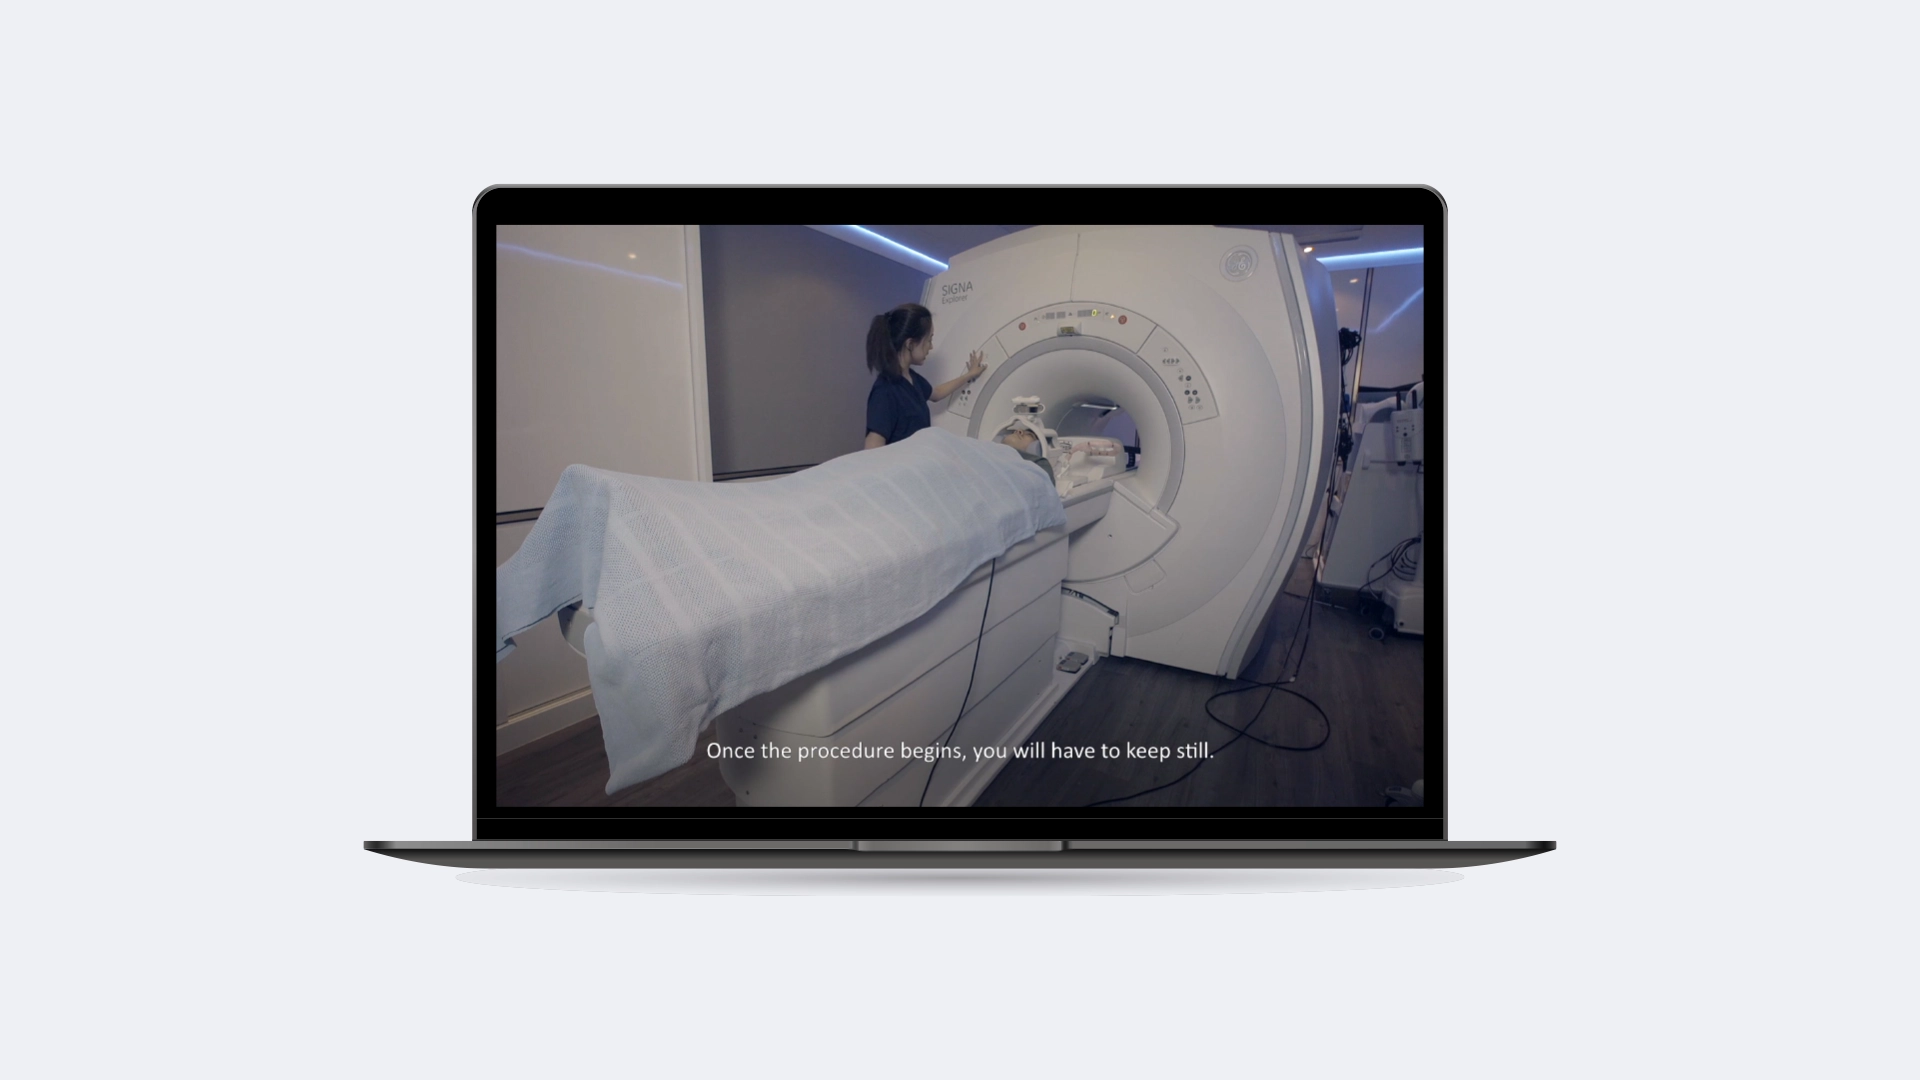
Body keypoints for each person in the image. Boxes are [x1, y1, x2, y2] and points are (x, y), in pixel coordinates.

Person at [863, 303, 987, 449]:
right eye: (929, 340)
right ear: (910, 344)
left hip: (919, 458)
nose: (931, 346)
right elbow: (873, 445)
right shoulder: (885, 390)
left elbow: (937, 393)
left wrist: (969, 375)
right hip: (904, 462)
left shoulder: (912, 378)